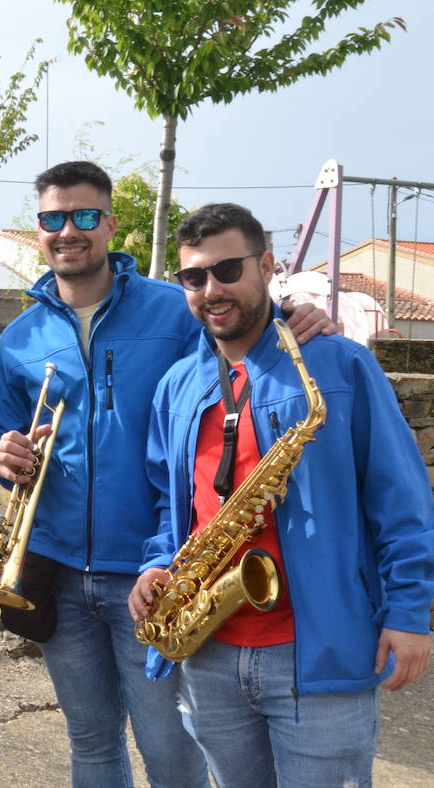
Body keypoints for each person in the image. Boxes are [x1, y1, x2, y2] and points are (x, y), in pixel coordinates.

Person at [0, 161, 332, 786]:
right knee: (90, 743)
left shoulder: (176, 307)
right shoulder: (18, 338)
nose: (70, 230)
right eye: (53, 218)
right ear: (37, 230)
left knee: (172, 755)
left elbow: (247, 321)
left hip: (153, 573)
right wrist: (1, 455)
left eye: (86, 215)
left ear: (111, 224)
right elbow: (0, 436)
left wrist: (300, 317)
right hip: (58, 571)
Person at [129, 202, 434, 787]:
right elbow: (171, 506)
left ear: (267, 266)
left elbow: (402, 502)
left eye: (227, 270)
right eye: (193, 277)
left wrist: (409, 613)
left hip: (318, 652)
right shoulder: (178, 384)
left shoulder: (339, 364)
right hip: (209, 649)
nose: (210, 289)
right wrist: (157, 563)